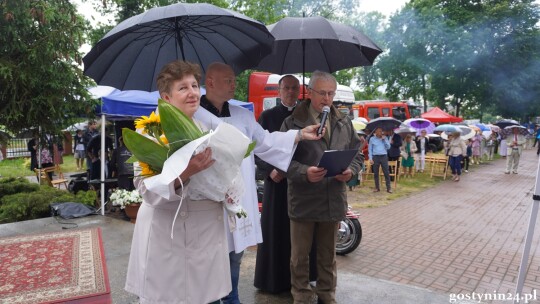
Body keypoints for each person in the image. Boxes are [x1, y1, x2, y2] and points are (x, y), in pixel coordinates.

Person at [193, 62, 322, 304]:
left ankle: (232, 299)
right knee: (208, 259)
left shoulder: (242, 115)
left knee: (234, 255)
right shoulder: (192, 115)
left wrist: (299, 134)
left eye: (234, 80)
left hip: (237, 197)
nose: (234, 84)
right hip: (207, 200)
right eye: (229, 80)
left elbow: (266, 142)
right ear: (210, 82)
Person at [125, 60, 229, 304]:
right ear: (166, 97)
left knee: (208, 297)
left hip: (206, 236)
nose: (193, 92)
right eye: (183, 88)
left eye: (195, 85)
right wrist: (185, 172)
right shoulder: (150, 133)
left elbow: (221, 174)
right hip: (167, 237)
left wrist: (229, 190)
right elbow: (145, 190)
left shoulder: (207, 129)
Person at [280, 71, 362, 304]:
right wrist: (304, 172)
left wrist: (351, 171)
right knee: (299, 256)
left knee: (328, 255)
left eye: (331, 93)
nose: (327, 98)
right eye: (322, 93)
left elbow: (357, 153)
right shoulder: (292, 122)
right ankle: (302, 295)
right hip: (303, 199)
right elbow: (280, 159)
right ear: (309, 92)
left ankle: (327, 295)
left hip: (333, 198)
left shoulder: (344, 121)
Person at [254, 75, 319, 293]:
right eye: (286, 88)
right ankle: (274, 281)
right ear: (279, 91)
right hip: (276, 183)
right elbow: (257, 148)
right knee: (276, 232)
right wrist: (269, 170)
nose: (290, 92)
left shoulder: (307, 116)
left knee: (301, 235)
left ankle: (303, 279)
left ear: (300, 91)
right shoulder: (267, 116)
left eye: (294, 88)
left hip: (300, 184)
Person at [368, 127, 392, 193]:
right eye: (378, 131)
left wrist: (384, 140)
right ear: (375, 132)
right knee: (376, 173)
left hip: (383, 156)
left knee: (386, 172)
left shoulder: (385, 138)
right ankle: (377, 187)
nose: (380, 132)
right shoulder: (372, 139)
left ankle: (389, 188)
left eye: (381, 131)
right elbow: (370, 149)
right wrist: (370, 158)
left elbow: (388, 147)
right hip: (375, 157)